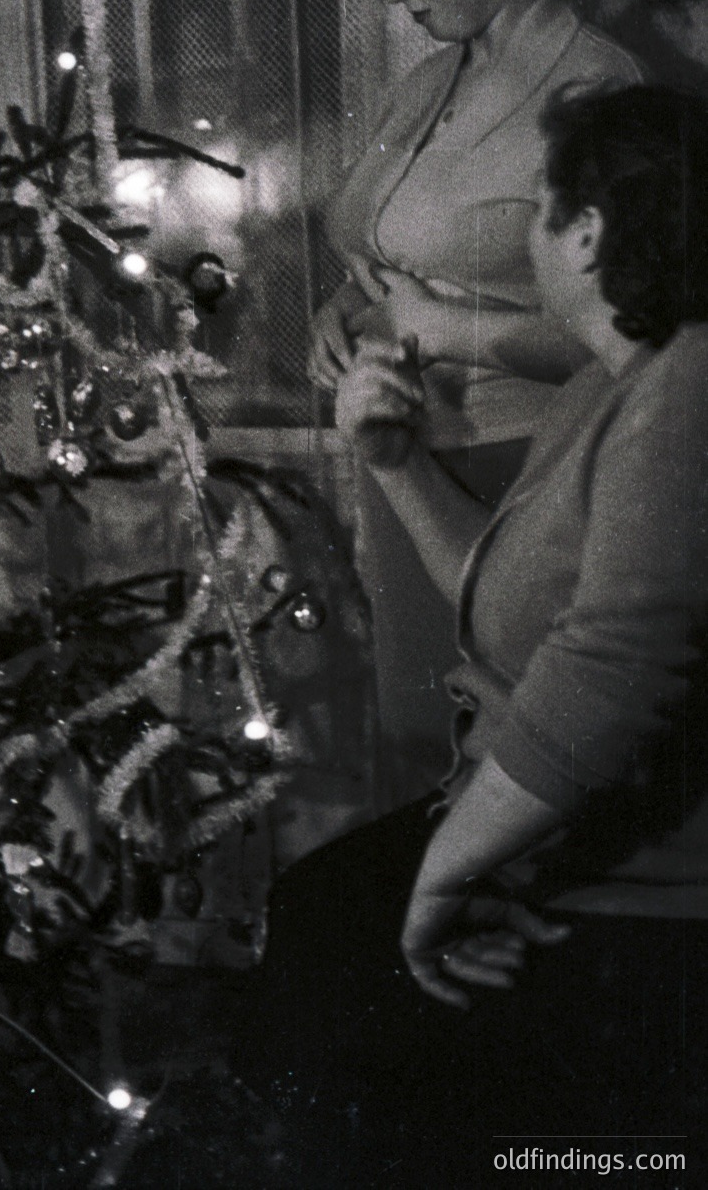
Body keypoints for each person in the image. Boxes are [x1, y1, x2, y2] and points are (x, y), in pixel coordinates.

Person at [241, 84, 708, 1186]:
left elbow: (609, 674)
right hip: (566, 843)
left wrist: (446, 875)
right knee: (313, 917)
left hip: (632, 882)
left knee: (337, 983)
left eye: (541, 205)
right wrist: (398, 458)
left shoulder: (688, 392)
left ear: (586, 232)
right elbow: (504, 599)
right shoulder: (621, 382)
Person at [310, 0, 642, 801]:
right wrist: (344, 311)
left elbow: (643, 344)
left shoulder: (594, 91)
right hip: (408, 464)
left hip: (524, 480)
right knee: (425, 768)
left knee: (517, 782)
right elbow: (383, 246)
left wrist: (449, 330)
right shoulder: (430, 84)